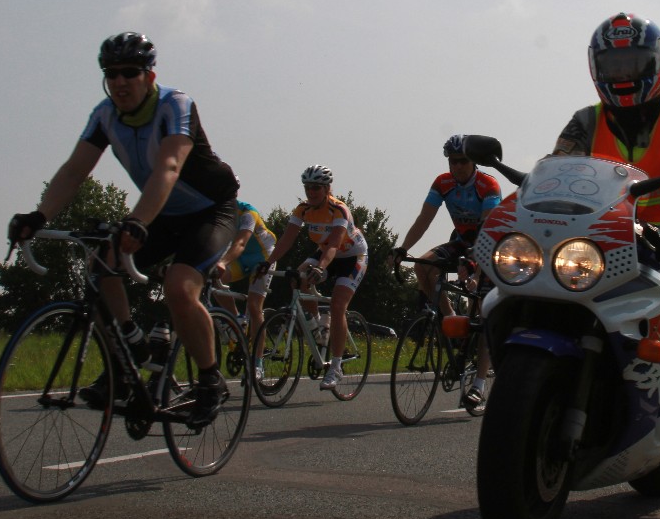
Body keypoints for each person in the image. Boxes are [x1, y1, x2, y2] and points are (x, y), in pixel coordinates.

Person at [7, 32, 240, 427]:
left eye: (130, 72)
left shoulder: (175, 105)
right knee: (101, 266)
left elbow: (169, 166)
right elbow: (74, 171)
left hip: (209, 211)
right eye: (111, 73)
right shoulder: (104, 115)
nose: (119, 81)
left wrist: (137, 221)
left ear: (149, 76)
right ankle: (129, 351)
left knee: (179, 288)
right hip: (162, 213)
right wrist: (38, 217)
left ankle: (209, 379)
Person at [552, 12, 660, 458]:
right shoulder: (584, 122)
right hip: (603, 235)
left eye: (632, 63)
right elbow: (557, 171)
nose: (623, 74)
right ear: (597, 68)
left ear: (656, 62)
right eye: (614, 65)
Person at [390, 135, 502, 408]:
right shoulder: (442, 183)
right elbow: (424, 219)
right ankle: (450, 316)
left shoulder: (488, 185)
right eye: (453, 161)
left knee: (483, 313)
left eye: (463, 161)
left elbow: (486, 231)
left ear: (473, 161)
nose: (458, 166)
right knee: (422, 265)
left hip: (489, 244)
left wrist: (475, 270)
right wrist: (403, 249)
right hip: (461, 241)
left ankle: (478, 384)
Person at [261, 164, 369, 390]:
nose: (311, 192)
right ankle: (318, 328)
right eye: (308, 187)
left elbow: (334, 245)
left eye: (316, 188)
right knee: (298, 278)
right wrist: (267, 263)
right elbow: (286, 240)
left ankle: (336, 367)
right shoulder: (302, 209)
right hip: (326, 252)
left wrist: (320, 268)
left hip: (352, 256)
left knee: (338, 305)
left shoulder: (339, 210)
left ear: (327, 189)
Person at [213, 199, 277, 348]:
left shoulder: (248, 212)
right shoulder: (217, 212)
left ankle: (257, 359)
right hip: (241, 258)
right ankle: (237, 321)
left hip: (262, 257)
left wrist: (222, 262)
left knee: (254, 307)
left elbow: (240, 243)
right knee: (216, 278)